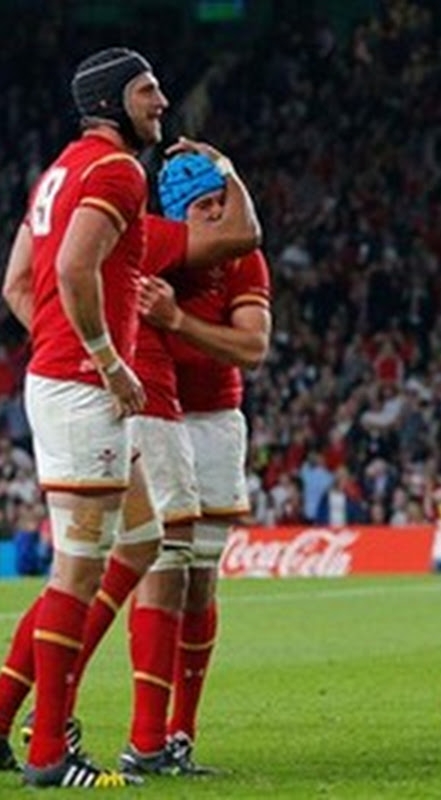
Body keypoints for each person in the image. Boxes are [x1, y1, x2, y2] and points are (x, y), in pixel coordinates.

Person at [0, 47, 168, 788]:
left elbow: (16, 283)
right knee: (78, 568)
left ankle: (5, 706)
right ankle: (48, 755)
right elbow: (70, 268)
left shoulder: (59, 171)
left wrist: (62, 351)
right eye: (146, 89)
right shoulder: (117, 171)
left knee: (141, 538)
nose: (160, 100)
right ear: (110, 101)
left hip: (68, 383)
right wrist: (102, 359)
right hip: (85, 390)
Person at [135, 155, 271, 769]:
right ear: (176, 215)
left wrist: (176, 320)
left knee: (201, 577)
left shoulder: (244, 256)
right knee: (160, 568)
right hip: (157, 419)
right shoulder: (153, 250)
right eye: (203, 208)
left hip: (218, 421)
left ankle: (180, 731)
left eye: (221, 202)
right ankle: (145, 734)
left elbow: (252, 348)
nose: (218, 215)